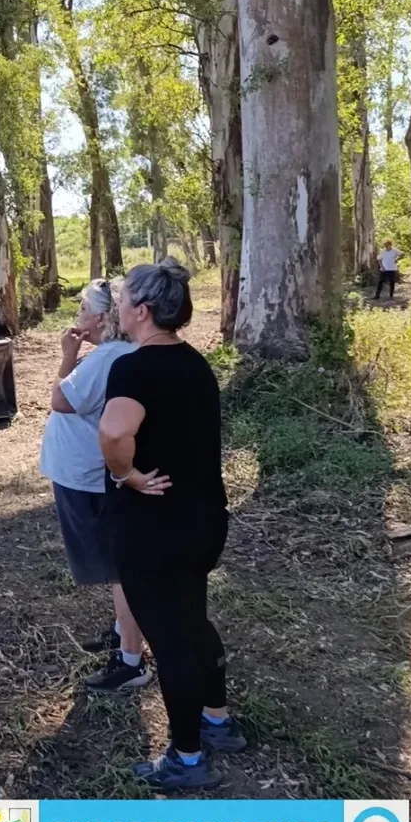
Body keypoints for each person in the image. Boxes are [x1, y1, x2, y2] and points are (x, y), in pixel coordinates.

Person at [98, 258, 246, 791]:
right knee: (193, 619)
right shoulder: (196, 363)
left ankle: (186, 758)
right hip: (205, 518)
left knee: (170, 639)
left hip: (154, 527)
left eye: (121, 300)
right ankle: (216, 720)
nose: (117, 307)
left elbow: (115, 434)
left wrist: (129, 476)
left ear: (141, 311)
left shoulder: (133, 368)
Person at [40, 279, 148, 693]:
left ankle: (131, 658)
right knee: (114, 563)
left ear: (100, 317)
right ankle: (124, 632)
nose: (78, 317)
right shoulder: (120, 354)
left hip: (88, 478)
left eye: (83, 309)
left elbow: (62, 399)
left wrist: (67, 358)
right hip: (92, 474)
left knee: (117, 567)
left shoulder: (103, 360)